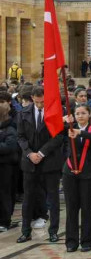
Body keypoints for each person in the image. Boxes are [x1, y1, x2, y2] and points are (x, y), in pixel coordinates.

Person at [17, 87, 63, 244]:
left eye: (42, 102)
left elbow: (58, 137)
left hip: (50, 161)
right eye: (37, 102)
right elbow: (20, 137)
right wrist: (30, 153)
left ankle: (53, 232)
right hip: (29, 162)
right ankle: (25, 231)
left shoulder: (55, 112)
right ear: (32, 98)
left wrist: (41, 153)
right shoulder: (23, 112)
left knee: (53, 198)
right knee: (28, 198)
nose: (40, 105)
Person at [61, 105, 91, 252]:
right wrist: (62, 122)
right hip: (70, 172)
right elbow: (52, 131)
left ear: (89, 115)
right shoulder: (68, 128)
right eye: (77, 113)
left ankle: (87, 241)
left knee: (87, 207)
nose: (80, 116)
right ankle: (71, 242)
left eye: (83, 113)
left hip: (88, 173)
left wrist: (80, 133)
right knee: (71, 208)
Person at [0, 92, 17, 232]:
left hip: (5, 166)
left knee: (4, 193)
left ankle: (5, 221)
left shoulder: (10, 129)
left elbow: (10, 147)